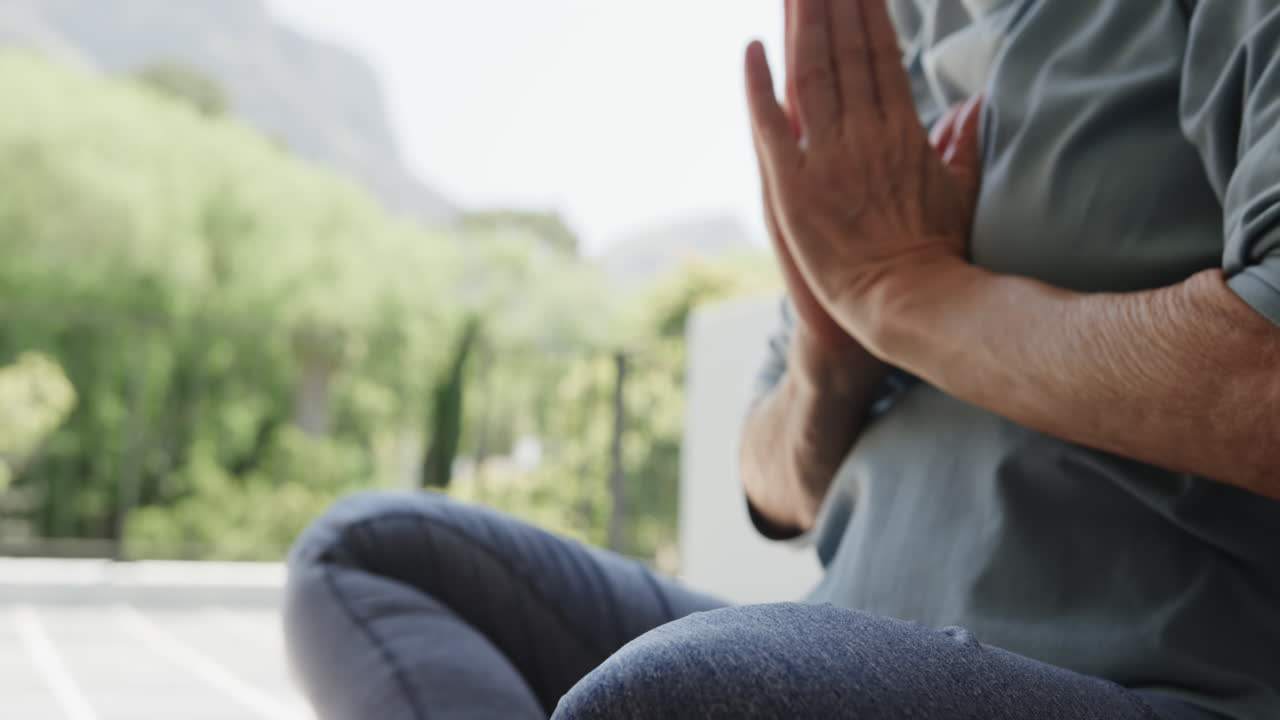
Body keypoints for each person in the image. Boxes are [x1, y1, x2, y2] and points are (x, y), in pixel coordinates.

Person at [282, 1, 1280, 718]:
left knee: (683, 694)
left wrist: (907, 293)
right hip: (835, 633)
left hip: (1144, 681)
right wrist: (831, 352)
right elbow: (774, 485)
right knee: (370, 554)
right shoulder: (879, 44)